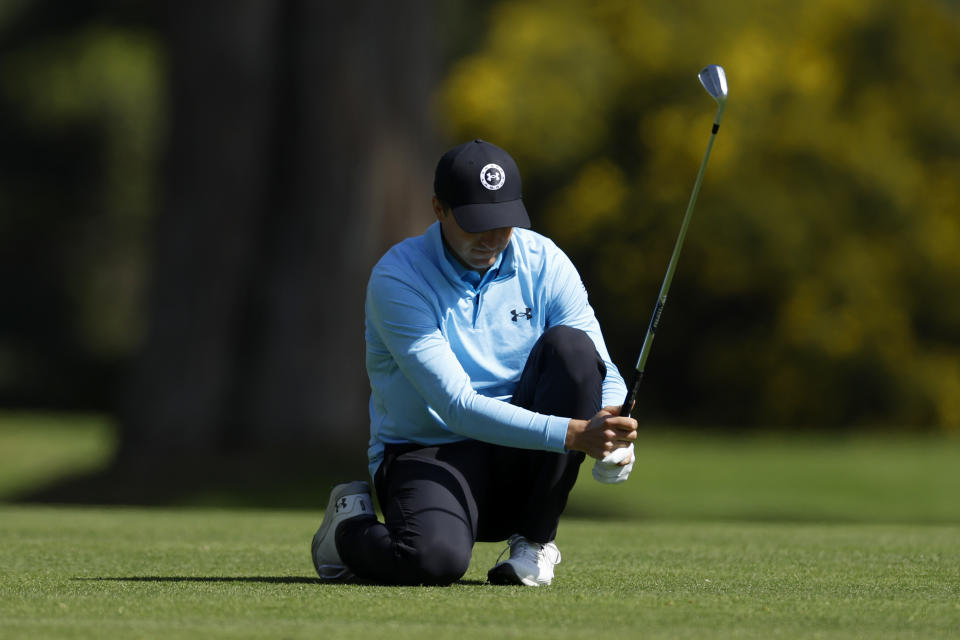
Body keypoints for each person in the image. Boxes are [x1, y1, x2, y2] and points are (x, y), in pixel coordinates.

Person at [311, 139, 637, 587]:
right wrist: (577, 434)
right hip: (427, 449)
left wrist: (612, 421)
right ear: (439, 209)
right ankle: (346, 531)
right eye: (476, 224)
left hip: (519, 456)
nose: (492, 239)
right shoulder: (400, 277)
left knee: (572, 349)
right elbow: (456, 406)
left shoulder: (544, 261)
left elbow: (602, 368)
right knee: (432, 562)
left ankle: (535, 542)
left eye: (503, 223)